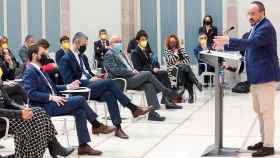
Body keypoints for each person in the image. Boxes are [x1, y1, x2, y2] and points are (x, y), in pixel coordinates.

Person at [213, 1, 280, 157]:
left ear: (262, 13)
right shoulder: (256, 27)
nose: (250, 17)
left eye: (253, 13)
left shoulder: (265, 28)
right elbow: (248, 46)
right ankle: (264, 141)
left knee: (267, 112)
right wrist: (224, 47)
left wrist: (228, 41)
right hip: (256, 77)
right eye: (248, 14)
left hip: (265, 77)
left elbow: (251, 43)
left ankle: (269, 146)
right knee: (260, 111)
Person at [23, 44, 115, 156]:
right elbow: (31, 93)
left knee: (80, 111)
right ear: (34, 55)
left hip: (54, 102)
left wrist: (68, 86)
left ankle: (83, 146)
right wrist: (51, 97)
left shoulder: (41, 70)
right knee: (80, 99)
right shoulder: (30, 71)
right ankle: (96, 125)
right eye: (43, 53)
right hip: (44, 107)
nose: (46, 55)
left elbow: (53, 88)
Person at [59, 32, 152, 138]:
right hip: (80, 90)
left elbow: (88, 73)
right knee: (110, 82)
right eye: (84, 44)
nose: (85, 47)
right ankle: (133, 108)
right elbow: (69, 82)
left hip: (91, 87)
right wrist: (89, 81)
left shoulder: (82, 57)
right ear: (76, 42)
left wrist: (98, 77)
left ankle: (118, 128)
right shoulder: (66, 59)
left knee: (109, 94)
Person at [104, 36, 187, 121]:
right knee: (147, 74)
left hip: (131, 77)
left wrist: (133, 70)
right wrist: (131, 72)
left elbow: (128, 66)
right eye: (117, 41)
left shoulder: (121, 53)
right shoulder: (109, 54)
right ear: (111, 44)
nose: (120, 43)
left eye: (121, 41)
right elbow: (115, 70)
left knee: (149, 85)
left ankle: (152, 113)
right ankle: (167, 92)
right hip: (122, 81)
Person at [0, 79, 74, 158]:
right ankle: (27, 155)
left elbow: (8, 101)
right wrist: (20, 114)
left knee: (39, 111)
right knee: (31, 122)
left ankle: (55, 147)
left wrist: (22, 108)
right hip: (3, 120)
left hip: (8, 116)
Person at [131, 30, 182, 108]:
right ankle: (169, 97)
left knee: (164, 73)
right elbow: (138, 68)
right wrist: (152, 70)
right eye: (142, 40)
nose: (145, 41)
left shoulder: (146, 50)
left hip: (152, 72)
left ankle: (167, 100)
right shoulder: (135, 52)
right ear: (138, 41)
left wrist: (157, 67)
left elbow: (154, 61)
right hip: (145, 75)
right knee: (163, 76)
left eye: (146, 39)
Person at [164, 34, 202, 103]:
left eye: (174, 42)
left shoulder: (181, 50)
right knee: (185, 68)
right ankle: (196, 85)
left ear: (176, 42)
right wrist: (175, 53)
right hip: (173, 73)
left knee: (184, 69)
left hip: (182, 72)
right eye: (171, 42)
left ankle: (183, 88)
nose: (173, 44)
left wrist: (180, 62)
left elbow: (188, 60)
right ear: (169, 43)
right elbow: (171, 61)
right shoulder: (167, 51)